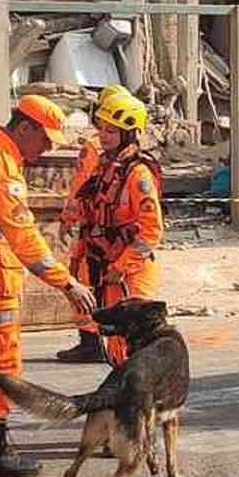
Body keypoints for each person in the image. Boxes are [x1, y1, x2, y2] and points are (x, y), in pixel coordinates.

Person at [0, 95, 96, 477]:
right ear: (24, 127)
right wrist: (66, 281)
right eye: (44, 140)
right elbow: (23, 236)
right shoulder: (2, 169)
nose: (46, 150)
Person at [67, 87, 164, 368]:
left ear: (129, 133)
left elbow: (151, 231)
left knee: (139, 344)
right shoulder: (103, 168)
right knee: (117, 348)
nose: (104, 135)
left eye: (112, 130)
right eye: (103, 128)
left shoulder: (138, 173)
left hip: (131, 272)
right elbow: (91, 218)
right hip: (107, 270)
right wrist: (79, 255)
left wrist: (123, 265)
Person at [56, 84, 124, 363]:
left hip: (93, 229)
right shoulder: (127, 152)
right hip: (110, 232)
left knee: (85, 279)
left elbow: (82, 186)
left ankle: (90, 340)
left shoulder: (95, 147)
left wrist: (69, 217)